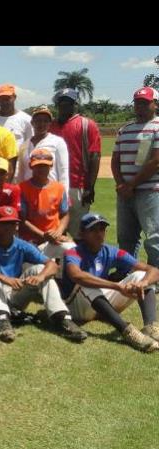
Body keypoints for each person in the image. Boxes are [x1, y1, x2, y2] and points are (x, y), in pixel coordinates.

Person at [0, 205, 86, 342]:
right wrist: (3, 278)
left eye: (12, 223)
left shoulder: (22, 245)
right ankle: (2, 320)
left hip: (13, 295)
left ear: (17, 226)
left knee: (39, 268)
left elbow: (52, 265)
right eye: (4, 223)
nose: (9, 227)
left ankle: (62, 318)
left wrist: (40, 277)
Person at [62, 213, 159, 352]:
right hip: (76, 307)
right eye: (93, 230)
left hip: (98, 304)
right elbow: (76, 275)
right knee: (86, 282)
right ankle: (128, 332)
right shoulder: (73, 253)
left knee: (142, 275)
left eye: (102, 229)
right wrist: (116, 286)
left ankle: (151, 327)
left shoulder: (111, 251)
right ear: (82, 233)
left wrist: (143, 282)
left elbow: (153, 270)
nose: (99, 233)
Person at [113, 86, 159, 268]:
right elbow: (115, 160)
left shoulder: (157, 127)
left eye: (145, 103)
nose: (140, 106)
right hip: (126, 193)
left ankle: (154, 277)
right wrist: (121, 185)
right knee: (126, 237)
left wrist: (130, 185)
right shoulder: (125, 129)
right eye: (137, 103)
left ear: (155, 104)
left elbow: (155, 162)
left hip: (150, 192)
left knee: (154, 237)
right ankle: (126, 271)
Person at [50, 88, 101, 237]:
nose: (65, 105)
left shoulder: (87, 125)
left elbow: (95, 156)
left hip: (77, 186)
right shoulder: (50, 126)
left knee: (79, 233)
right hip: (53, 185)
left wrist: (90, 187)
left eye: (69, 102)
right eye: (62, 102)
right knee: (56, 231)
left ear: (75, 104)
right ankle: (58, 261)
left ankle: (79, 261)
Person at [19, 149, 74, 261]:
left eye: (45, 166)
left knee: (73, 252)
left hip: (54, 239)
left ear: (51, 166)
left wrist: (58, 232)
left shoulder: (59, 188)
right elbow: (22, 220)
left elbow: (65, 214)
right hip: (31, 240)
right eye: (38, 166)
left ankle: (64, 278)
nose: (42, 169)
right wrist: (43, 235)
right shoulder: (22, 188)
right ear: (31, 166)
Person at [16, 106, 69, 192]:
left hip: (51, 192)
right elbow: (21, 173)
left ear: (50, 123)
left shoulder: (57, 142)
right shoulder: (24, 145)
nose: (42, 124)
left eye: (45, 121)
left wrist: (64, 196)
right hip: (28, 193)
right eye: (38, 120)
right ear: (32, 122)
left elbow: (63, 171)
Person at [0, 84, 33, 153]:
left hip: (19, 163)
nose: (4, 102)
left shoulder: (26, 120)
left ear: (14, 97)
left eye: (7, 98)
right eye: (1, 99)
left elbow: (32, 145)